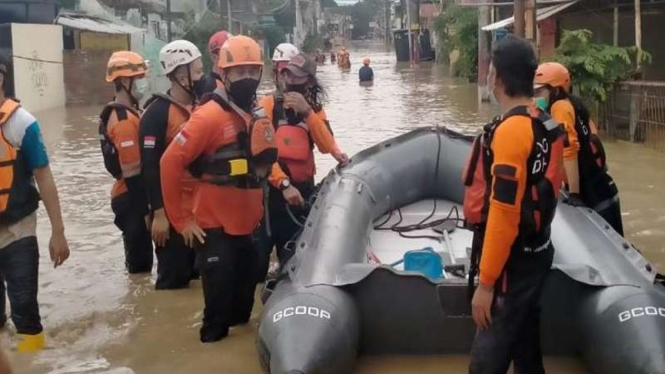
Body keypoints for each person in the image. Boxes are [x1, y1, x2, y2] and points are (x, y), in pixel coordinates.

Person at [160, 35, 278, 343]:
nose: (247, 79)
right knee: (216, 325)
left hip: (249, 229)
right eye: (239, 72)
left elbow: (267, 162)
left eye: (253, 71)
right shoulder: (208, 116)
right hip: (215, 230)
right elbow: (169, 163)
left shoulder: (258, 114)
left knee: (243, 315)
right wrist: (181, 220)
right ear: (223, 74)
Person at [462, 36, 565, 374]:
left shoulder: (510, 133)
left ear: (499, 79)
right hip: (539, 251)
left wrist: (487, 284)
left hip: (511, 264)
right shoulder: (545, 122)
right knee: (526, 349)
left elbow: (504, 216)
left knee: (485, 362)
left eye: (491, 71)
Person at [0, 53, 70, 352]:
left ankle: (33, 361)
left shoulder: (22, 123)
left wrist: (58, 232)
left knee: (25, 307)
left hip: (19, 227)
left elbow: (44, 177)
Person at [259, 53, 348, 273]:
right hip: (271, 194)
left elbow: (327, 145)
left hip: (302, 193)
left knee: (293, 260)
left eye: (297, 78)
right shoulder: (269, 104)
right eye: (288, 75)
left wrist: (307, 113)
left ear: (308, 81)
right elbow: (260, 153)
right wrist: (283, 184)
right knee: (257, 260)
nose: (291, 82)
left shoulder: (315, 111)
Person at [139, 40, 204, 290]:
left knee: (200, 281)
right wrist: (158, 213)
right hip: (172, 213)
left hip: (200, 211)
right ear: (180, 74)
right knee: (174, 282)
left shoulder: (203, 109)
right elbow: (150, 166)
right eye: (197, 72)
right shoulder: (156, 113)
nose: (201, 77)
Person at [534, 62, 624, 235]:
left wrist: (574, 193)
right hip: (601, 185)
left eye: (539, 92)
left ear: (556, 90)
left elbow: (568, 150)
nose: (535, 97)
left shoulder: (559, 107)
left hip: (593, 192)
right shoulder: (573, 104)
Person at [100, 51, 153, 274]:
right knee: (140, 268)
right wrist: (146, 212)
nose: (144, 83)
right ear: (124, 81)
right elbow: (132, 174)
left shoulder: (129, 113)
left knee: (138, 262)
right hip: (131, 198)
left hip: (130, 197)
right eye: (139, 78)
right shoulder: (123, 121)